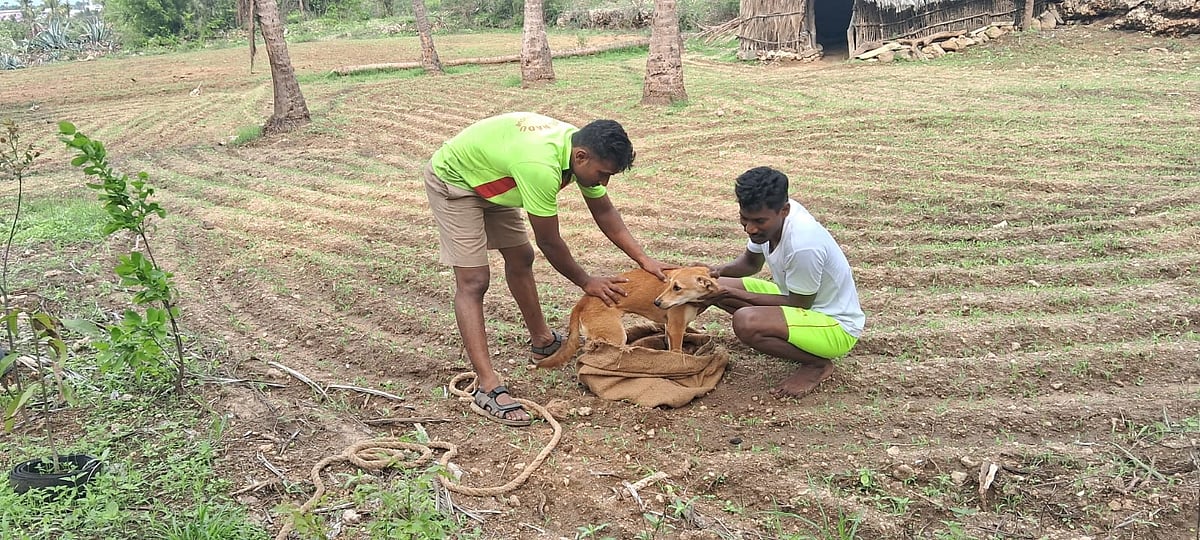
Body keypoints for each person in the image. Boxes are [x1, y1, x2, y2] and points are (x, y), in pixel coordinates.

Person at [423, 112, 673, 426]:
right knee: (474, 280)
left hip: (495, 180)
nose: (604, 182)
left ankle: (542, 341)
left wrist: (644, 259)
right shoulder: (541, 166)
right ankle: (487, 386)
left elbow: (604, 210)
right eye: (603, 173)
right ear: (581, 157)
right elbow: (549, 240)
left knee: (521, 258)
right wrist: (586, 281)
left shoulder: (580, 150)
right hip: (456, 181)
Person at [700, 166, 865, 398]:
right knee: (717, 285)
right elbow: (750, 264)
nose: (750, 228)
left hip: (834, 326)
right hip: (797, 302)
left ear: (784, 211)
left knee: (745, 321)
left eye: (758, 221)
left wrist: (729, 293)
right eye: (744, 219)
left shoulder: (803, 244)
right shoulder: (771, 218)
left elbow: (799, 304)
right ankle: (779, 336)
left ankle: (817, 365)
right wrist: (715, 271)